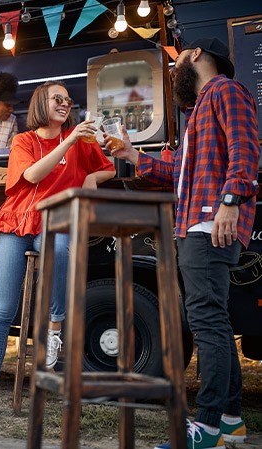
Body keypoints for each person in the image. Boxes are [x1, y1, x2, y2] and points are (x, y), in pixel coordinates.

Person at [107, 38, 258, 448]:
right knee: (214, 322)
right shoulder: (200, 110)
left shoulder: (226, 90)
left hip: (210, 224)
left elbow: (247, 151)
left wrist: (230, 202)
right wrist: (135, 156)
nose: (174, 72)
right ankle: (229, 421)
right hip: (199, 223)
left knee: (206, 322)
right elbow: (181, 170)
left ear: (195, 55)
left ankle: (205, 429)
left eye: (178, 61)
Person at [0, 81, 116, 417]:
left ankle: (54, 328)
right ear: (42, 102)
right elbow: (34, 174)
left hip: (55, 221)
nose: (65, 104)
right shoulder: (24, 140)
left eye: (68, 99)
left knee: (62, 245)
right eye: (58, 98)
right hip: (19, 220)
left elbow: (108, 167)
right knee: (2, 309)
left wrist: (92, 179)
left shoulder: (82, 141)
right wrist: (68, 139)